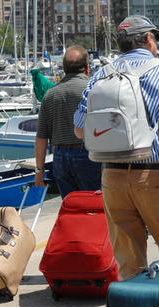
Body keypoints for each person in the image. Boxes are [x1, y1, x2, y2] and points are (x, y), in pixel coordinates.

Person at [73, 15, 159, 279]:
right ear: (148, 39)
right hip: (155, 176)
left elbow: (79, 128)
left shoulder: (101, 75)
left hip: (113, 177)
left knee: (129, 265)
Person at [35, 46, 101, 197]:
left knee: (70, 205)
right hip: (89, 155)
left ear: (64, 68)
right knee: (94, 205)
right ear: (87, 68)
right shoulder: (95, 90)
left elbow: (41, 137)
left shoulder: (50, 95)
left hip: (60, 158)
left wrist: (39, 171)